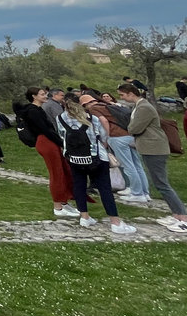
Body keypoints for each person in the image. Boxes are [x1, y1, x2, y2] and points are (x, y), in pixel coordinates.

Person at [117, 83, 187, 233]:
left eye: (122, 94)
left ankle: (185, 220)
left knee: (162, 184)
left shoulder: (144, 107)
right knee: (159, 183)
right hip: (149, 148)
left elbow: (134, 128)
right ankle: (176, 215)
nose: (121, 97)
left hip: (154, 149)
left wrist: (130, 126)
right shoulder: (139, 106)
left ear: (130, 93)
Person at [56, 94, 135, 235]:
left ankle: (84, 217)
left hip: (74, 158)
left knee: (79, 186)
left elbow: (62, 135)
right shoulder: (92, 118)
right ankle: (115, 222)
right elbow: (103, 136)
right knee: (105, 189)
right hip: (96, 157)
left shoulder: (60, 118)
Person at [13, 88, 79, 218]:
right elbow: (45, 130)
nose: (45, 96)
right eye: (42, 94)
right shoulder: (33, 111)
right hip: (46, 141)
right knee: (56, 173)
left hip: (49, 140)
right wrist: (61, 143)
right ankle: (58, 206)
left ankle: (64, 201)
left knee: (63, 170)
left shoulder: (37, 109)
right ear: (34, 96)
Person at [84, 95, 147, 203]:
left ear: (85, 104)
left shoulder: (94, 109)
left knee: (128, 165)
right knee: (137, 165)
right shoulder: (107, 105)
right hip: (129, 135)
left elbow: (104, 121)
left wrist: (107, 137)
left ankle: (137, 193)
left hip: (117, 137)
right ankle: (145, 192)